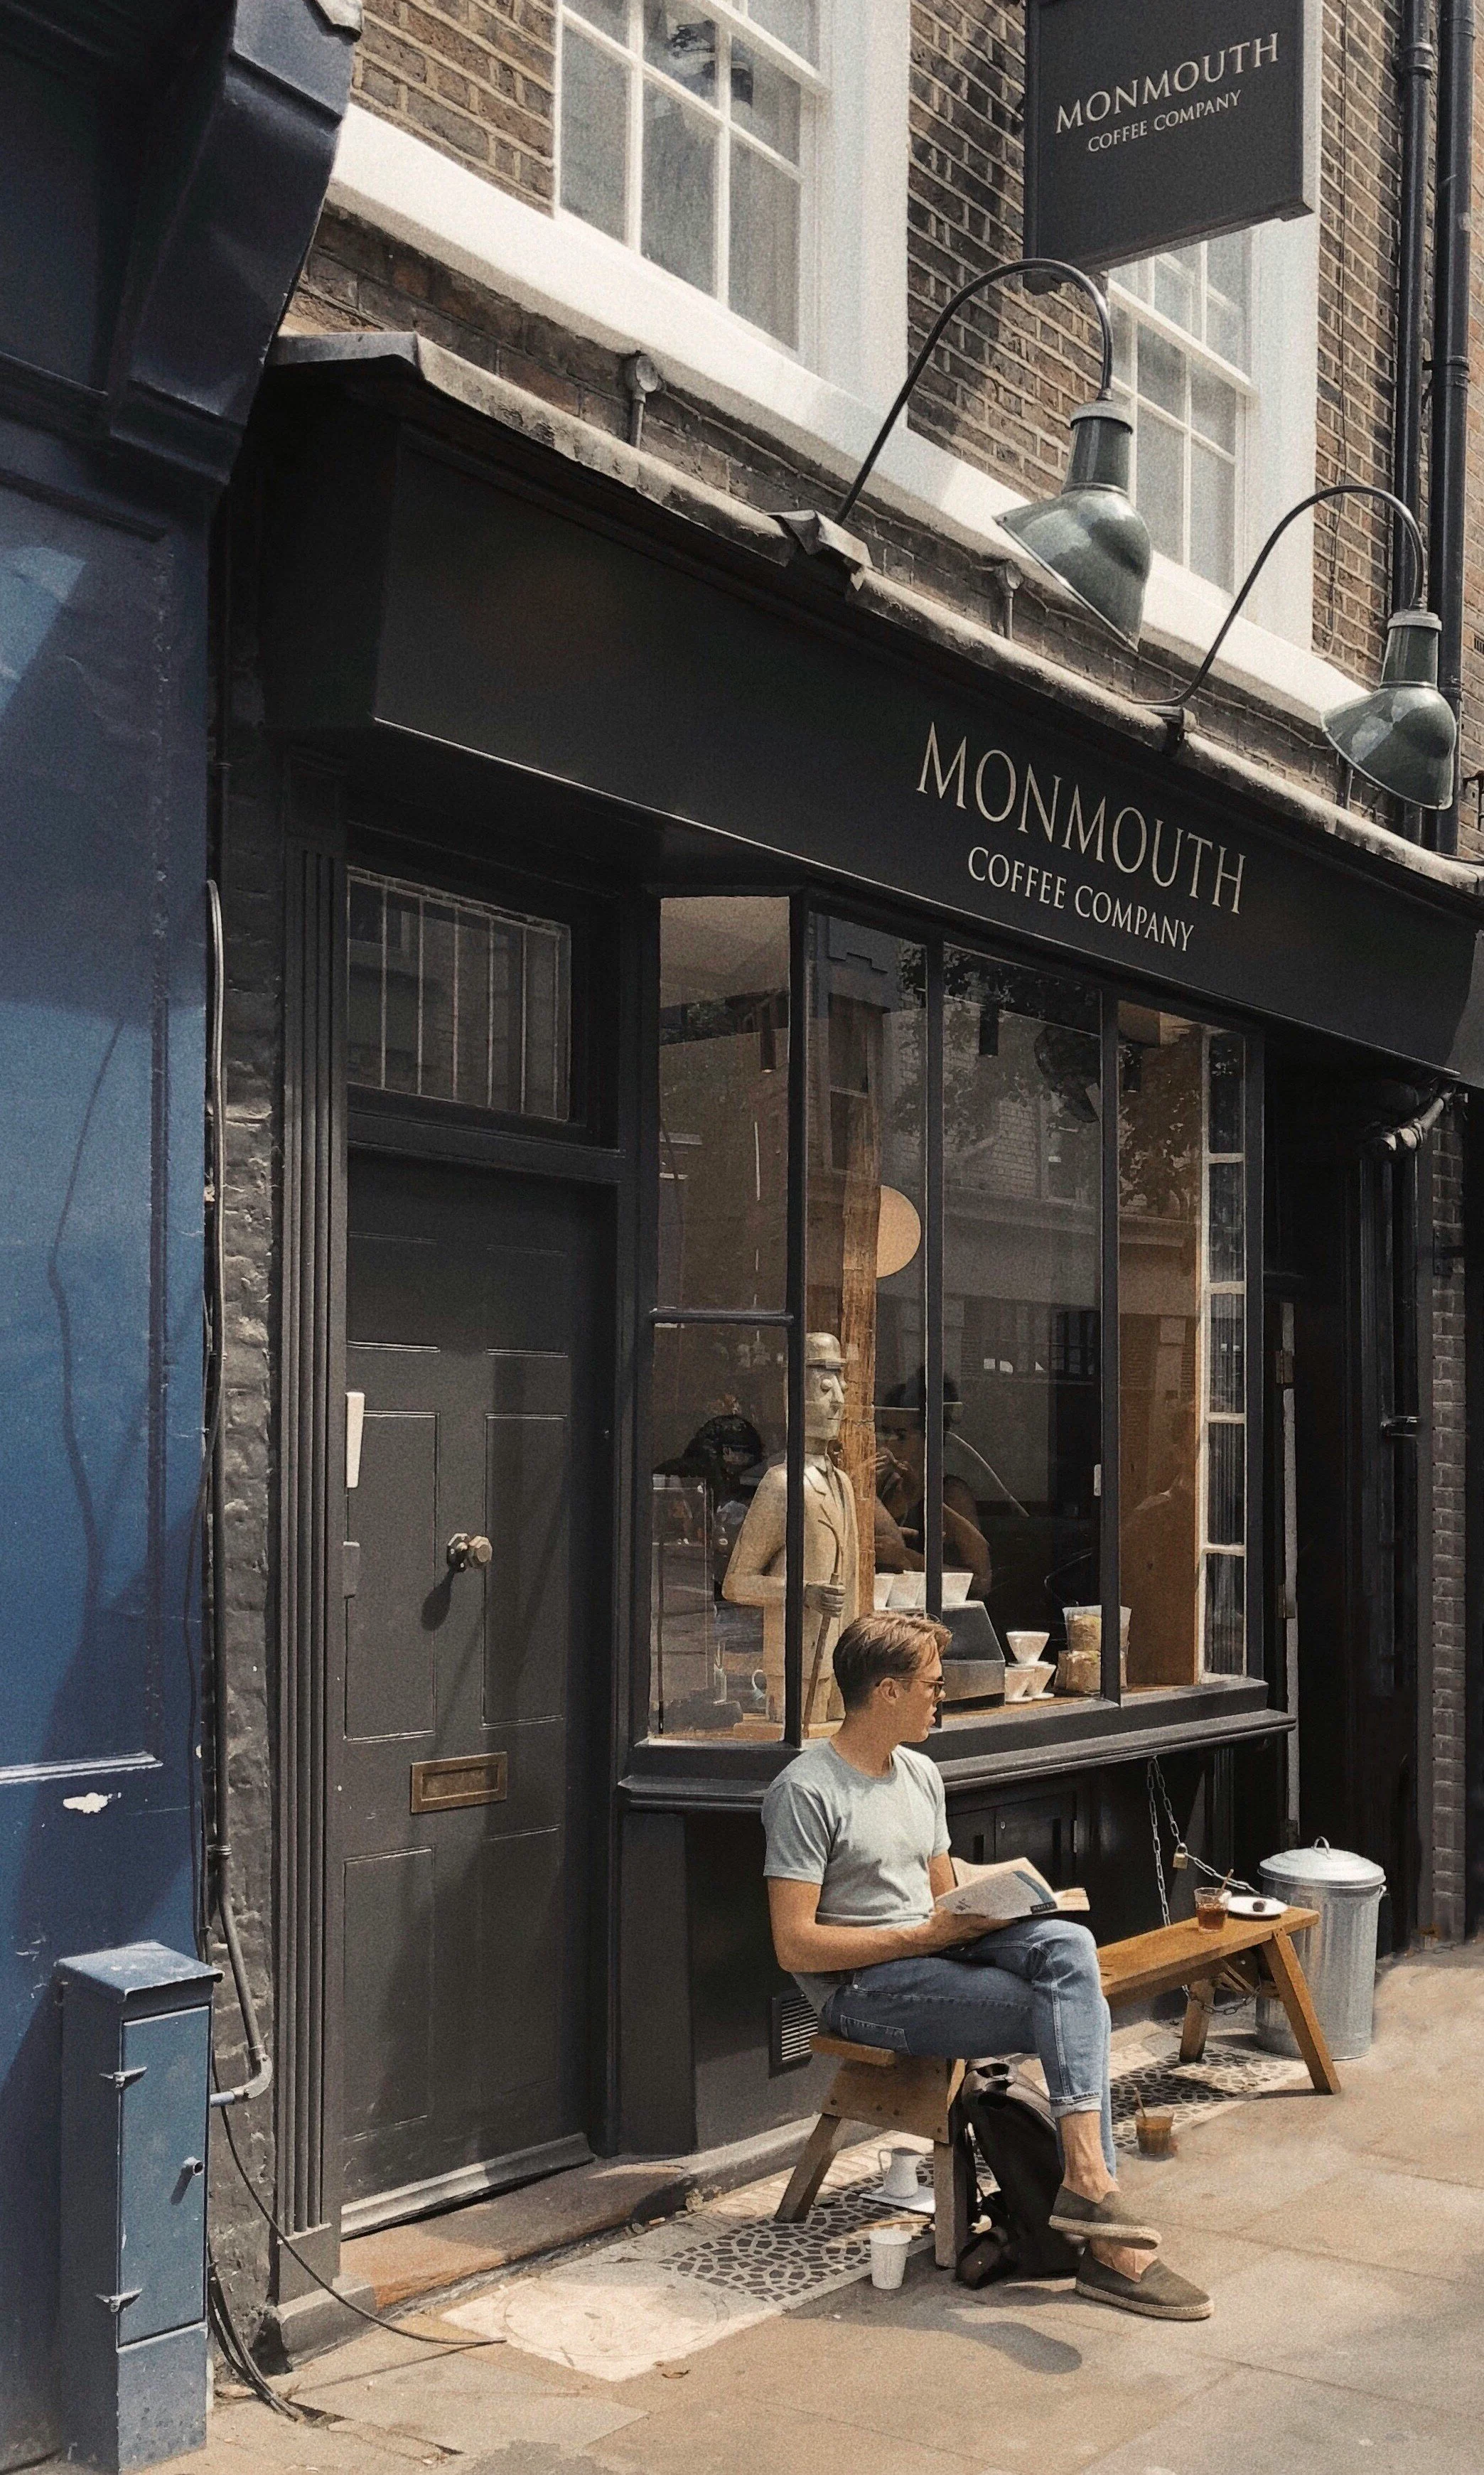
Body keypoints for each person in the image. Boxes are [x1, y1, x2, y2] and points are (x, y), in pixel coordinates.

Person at [761, 1611, 1212, 2320]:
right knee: (1069, 2007)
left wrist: (1002, 1900)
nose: (941, 1697)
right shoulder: (806, 1790)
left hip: (936, 1944)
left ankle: (1088, 2184)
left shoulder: (919, 1772)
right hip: (864, 1986)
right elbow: (794, 1943)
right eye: (931, 1686)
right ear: (886, 1690)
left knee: (1069, 1948)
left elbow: (944, 1896)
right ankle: (1110, 2242)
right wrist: (920, 1936)